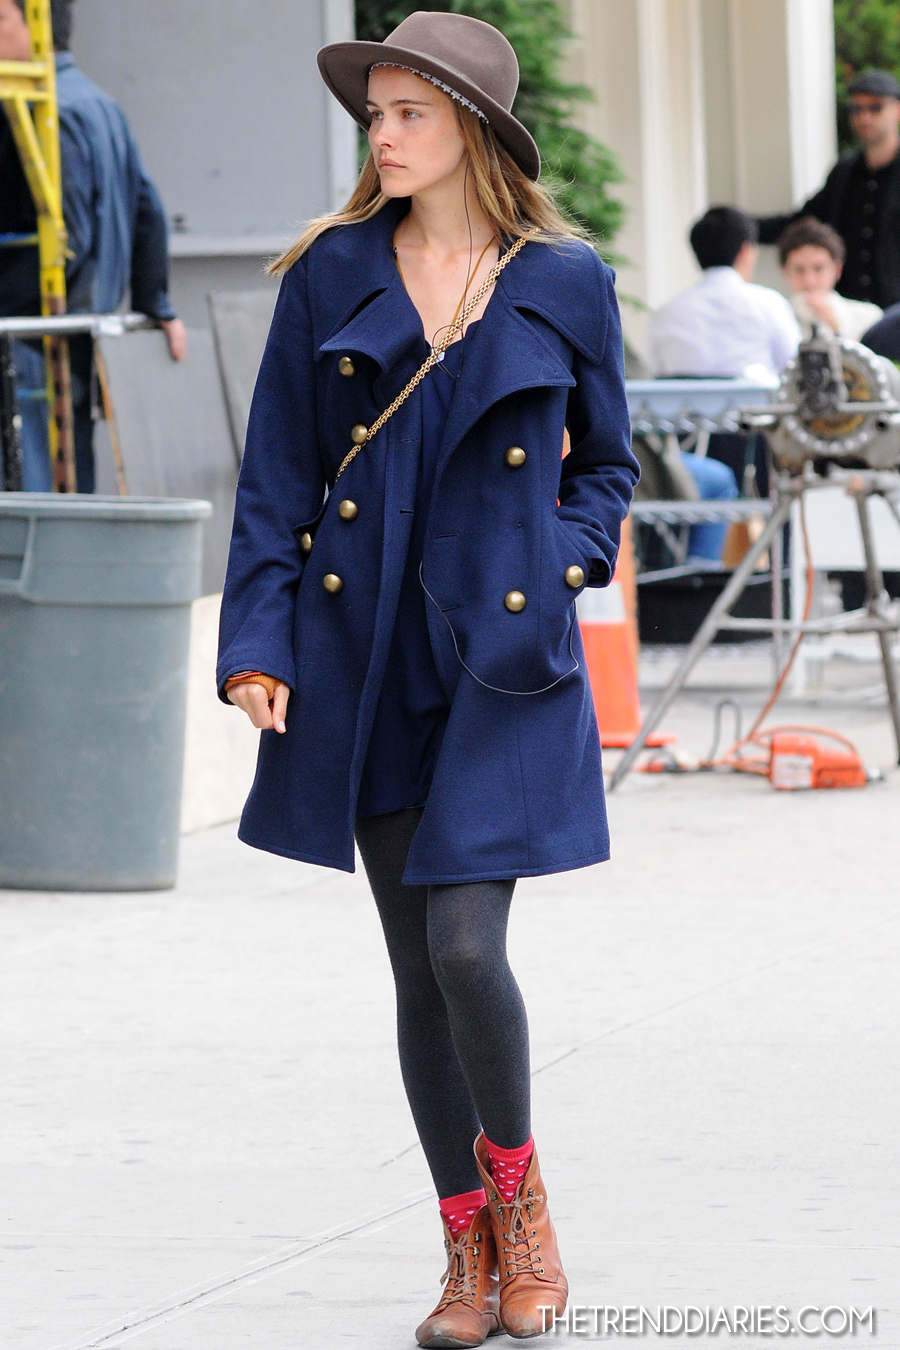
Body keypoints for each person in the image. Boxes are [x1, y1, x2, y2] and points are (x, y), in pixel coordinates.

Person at [216, 12, 639, 1346]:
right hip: (363, 655)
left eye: (409, 112)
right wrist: (258, 643)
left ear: (473, 127)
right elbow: (277, 475)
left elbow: (607, 464)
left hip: (502, 660)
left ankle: (525, 1208)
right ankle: (467, 1248)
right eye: (376, 114)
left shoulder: (562, 278)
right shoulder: (332, 271)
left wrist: (560, 561)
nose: (383, 135)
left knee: (465, 946)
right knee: (416, 969)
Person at [0, 0, 185, 491]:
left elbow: (71, 238)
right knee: (69, 491)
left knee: (32, 499)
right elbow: (148, 211)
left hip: (33, 344)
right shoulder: (99, 102)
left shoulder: (40, 110)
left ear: (36, 24)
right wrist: (155, 303)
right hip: (80, 337)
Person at [647, 205, 798, 542]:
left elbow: (655, 373)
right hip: (756, 454)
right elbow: (791, 371)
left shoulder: (667, 312)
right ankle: (782, 565)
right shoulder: (768, 304)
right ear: (746, 251)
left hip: (683, 450)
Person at [757, 70, 900, 311]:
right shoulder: (845, 172)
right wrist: (743, 228)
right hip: (846, 309)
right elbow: (803, 221)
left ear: (896, 109)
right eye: (857, 109)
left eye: (875, 108)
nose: (865, 117)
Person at [778, 216, 882, 339]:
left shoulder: (868, 317)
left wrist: (836, 327)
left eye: (819, 268)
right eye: (799, 270)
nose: (810, 281)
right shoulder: (775, 318)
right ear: (785, 272)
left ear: (837, 269)